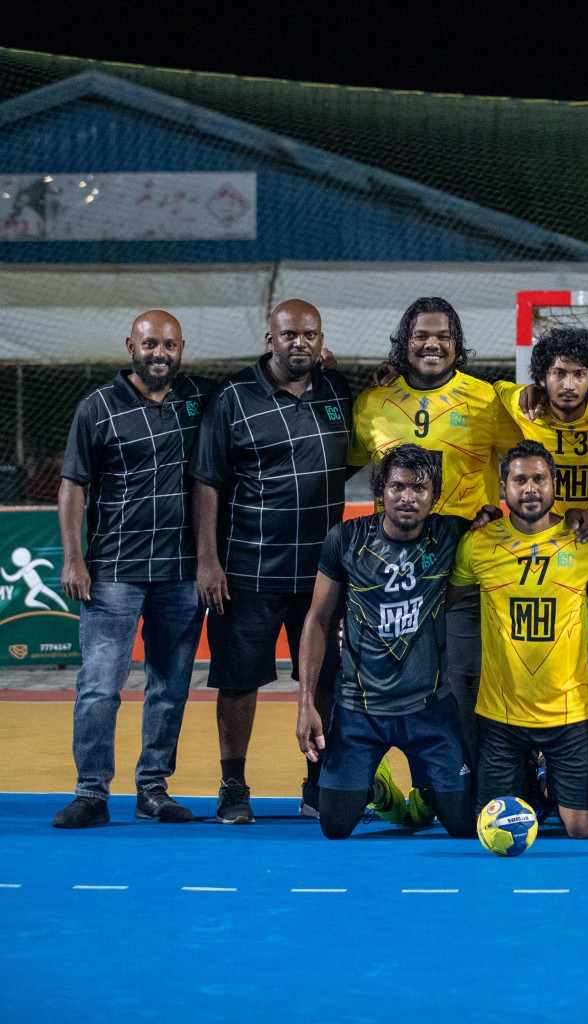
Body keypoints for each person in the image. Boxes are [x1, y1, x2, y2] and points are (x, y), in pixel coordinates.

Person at [51, 310, 214, 828]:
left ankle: (153, 790)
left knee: (170, 686)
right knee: (99, 686)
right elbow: (73, 485)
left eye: (168, 345)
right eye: (149, 345)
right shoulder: (97, 407)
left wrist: (321, 365)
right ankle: (91, 793)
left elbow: (262, 382)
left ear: (181, 348)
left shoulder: (200, 399)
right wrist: (74, 558)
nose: (158, 354)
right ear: (130, 346)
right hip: (113, 572)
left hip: (181, 573)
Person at [192, 299, 353, 824]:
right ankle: (233, 787)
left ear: (321, 339)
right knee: (239, 681)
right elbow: (208, 481)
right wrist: (208, 560)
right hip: (248, 573)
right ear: (271, 338)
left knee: (327, 681)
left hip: (323, 576)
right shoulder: (233, 397)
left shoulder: (338, 392)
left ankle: (315, 784)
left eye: (309, 334)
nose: (298, 343)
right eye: (289, 334)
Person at [349, 297, 519, 770]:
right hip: (391, 571)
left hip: (463, 565)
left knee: (463, 680)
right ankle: (379, 780)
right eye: (422, 335)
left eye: (444, 336)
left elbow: (530, 463)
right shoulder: (372, 403)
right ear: (404, 343)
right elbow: (330, 469)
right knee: (394, 678)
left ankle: (465, 779)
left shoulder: (488, 400)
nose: (432, 344)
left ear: (457, 344)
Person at [295, 444, 482, 840]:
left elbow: (503, 532)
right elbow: (317, 619)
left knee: (464, 825)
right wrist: (306, 701)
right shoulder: (345, 539)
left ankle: (424, 791)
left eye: (420, 488)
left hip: (430, 709)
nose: (408, 498)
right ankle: (377, 788)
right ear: (380, 489)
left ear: (435, 495)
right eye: (397, 487)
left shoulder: (453, 534)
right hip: (360, 711)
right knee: (334, 826)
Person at [449, 440, 588, 840]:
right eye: (519, 479)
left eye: (539, 479)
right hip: (501, 717)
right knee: (488, 827)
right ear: (502, 487)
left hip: (567, 714)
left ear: (554, 484)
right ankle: (530, 775)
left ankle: (545, 777)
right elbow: (449, 601)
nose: (529, 489)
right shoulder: (478, 544)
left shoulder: (585, 542)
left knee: (580, 831)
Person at [500, 328, 588, 678]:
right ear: (542, 378)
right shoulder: (523, 408)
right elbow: (495, 390)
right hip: (548, 551)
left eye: (579, 374)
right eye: (558, 373)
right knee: (547, 641)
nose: (568, 384)